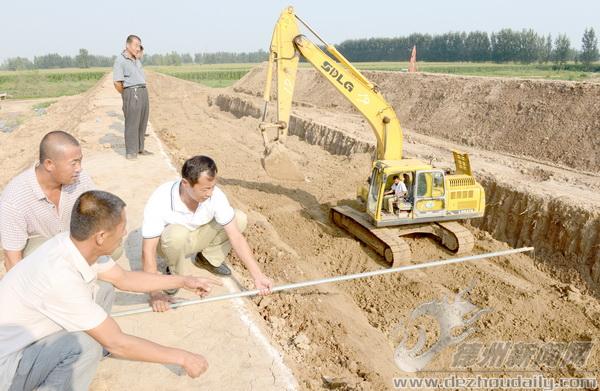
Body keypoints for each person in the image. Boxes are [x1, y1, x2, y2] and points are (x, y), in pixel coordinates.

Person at [0, 190, 221, 390]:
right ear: (101, 237)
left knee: (103, 288)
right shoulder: (60, 277)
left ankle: (92, 352)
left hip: (28, 339)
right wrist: (182, 357)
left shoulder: (71, 245)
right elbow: (117, 342)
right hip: (7, 367)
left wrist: (183, 281)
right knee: (84, 347)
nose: (125, 232)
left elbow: (124, 279)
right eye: (121, 227)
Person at [141, 155, 273, 312]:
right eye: (205, 189)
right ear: (186, 183)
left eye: (212, 187)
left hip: (197, 236)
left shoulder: (215, 196)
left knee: (239, 218)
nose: (210, 193)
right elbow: (147, 251)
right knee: (177, 234)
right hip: (171, 243)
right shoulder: (161, 199)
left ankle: (207, 259)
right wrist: (155, 293)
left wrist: (258, 275)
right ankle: (175, 278)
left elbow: (236, 237)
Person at [0, 131, 120, 271]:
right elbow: (12, 258)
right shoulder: (14, 199)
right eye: (73, 163)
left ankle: (77, 273)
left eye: (80, 161)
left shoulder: (79, 179)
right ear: (49, 164)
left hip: (71, 242)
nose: (79, 168)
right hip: (41, 252)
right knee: (37, 253)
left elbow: (97, 212)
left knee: (112, 242)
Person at [112, 34, 151, 160]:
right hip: (131, 92)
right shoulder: (120, 60)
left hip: (143, 91)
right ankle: (131, 152)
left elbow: (141, 52)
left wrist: (139, 49)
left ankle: (140, 148)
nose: (138, 48)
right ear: (127, 45)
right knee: (132, 123)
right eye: (136, 45)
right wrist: (126, 95)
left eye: (139, 45)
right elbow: (117, 83)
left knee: (142, 121)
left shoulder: (136, 58)